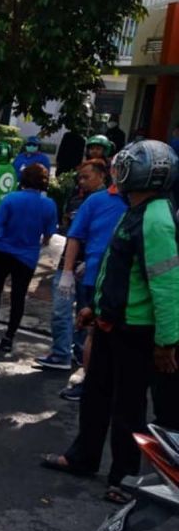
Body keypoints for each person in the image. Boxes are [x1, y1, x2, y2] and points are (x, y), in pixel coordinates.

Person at [41, 140, 179, 505]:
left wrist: (167, 342)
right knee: (95, 396)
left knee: (128, 409)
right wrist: (96, 309)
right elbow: (118, 272)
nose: (120, 169)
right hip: (110, 324)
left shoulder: (156, 219)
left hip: (136, 333)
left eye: (128, 165)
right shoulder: (133, 208)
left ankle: (124, 476)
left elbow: (166, 285)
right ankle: (83, 457)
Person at [35, 160, 114, 372]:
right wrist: (68, 270)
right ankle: (61, 352)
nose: (82, 181)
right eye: (80, 177)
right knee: (61, 311)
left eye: (86, 177)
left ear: (102, 176)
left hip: (92, 268)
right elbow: (71, 234)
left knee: (85, 314)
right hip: (68, 265)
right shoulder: (75, 201)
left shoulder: (114, 202)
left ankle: (80, 352)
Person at [0, 164, 58, 354]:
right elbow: (48, 235)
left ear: (23, 179)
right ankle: (9, 338)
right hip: (27, 255)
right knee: (18, 296)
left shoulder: (11, 199)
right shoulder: (49, 205)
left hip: (3, 250)